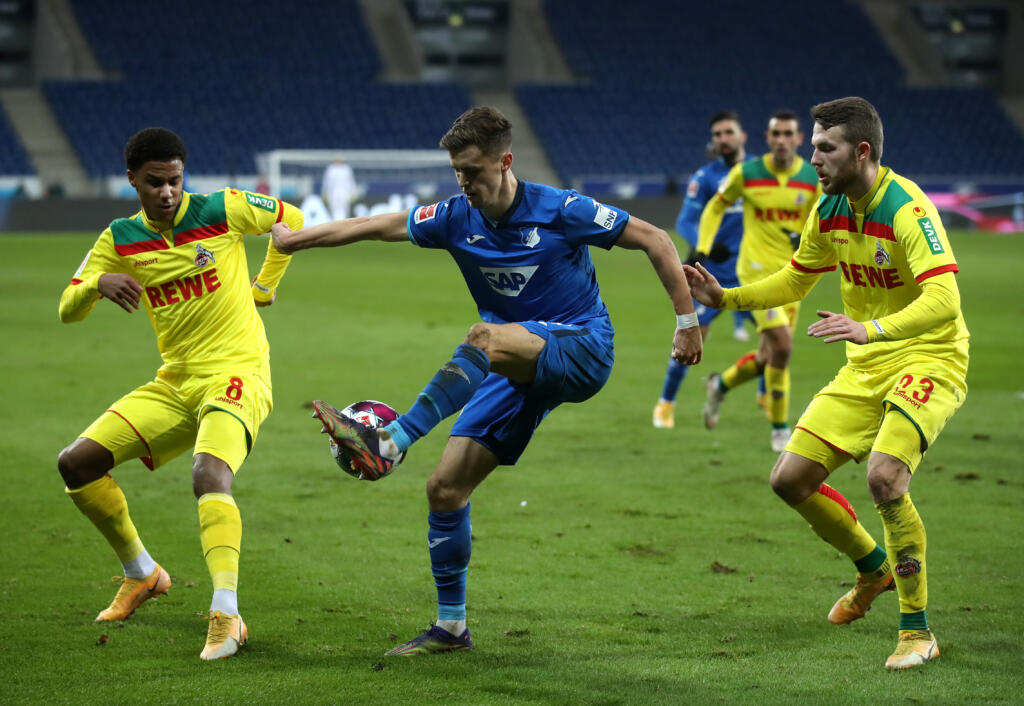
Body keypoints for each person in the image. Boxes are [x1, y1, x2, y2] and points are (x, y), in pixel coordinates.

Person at [271, 106, 703, 656]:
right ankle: (451, 628)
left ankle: (393, 441)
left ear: (505, 161)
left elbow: (656, 238)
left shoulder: (559, 208)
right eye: (456, 171)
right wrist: (292, 242)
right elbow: (371, 226)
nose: (463, 182)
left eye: (473, 171)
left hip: (582, 348)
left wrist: (686, 323)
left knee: (483, 337)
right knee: (445, 489)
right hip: (512, 362)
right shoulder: (454, 216)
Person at [684, 96, 968, 669]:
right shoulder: (831, 206)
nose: (811, 157)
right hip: (867, 362)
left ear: (861, 152)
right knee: (790, 479)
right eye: (812, 145)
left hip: (929, 357)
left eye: (824, 148)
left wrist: (871, 328)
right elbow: (794, 279)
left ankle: (918, 632)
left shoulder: (907, 208)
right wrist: (726, 298)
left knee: (885, 478)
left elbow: (945, 299)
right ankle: (873, 570)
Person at [57, 127, 303, 660]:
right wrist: (98, 285)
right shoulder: (120, 238)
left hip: (239, 373)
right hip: (175, 382)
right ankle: (142, 573)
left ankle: (227, 613)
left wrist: (265, 284)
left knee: (209, 474)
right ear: (133, 182)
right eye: (155, 183)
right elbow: (66, 306)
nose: (167, 192)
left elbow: (292, 217)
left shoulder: (222, 208)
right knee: (77, 463)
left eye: (174, 181)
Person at [695, 109, 821, 451]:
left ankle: (720, 384)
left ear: (798, 139)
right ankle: (781, 431)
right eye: (775, 134)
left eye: (788, 134)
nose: (781, 140)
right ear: (767, 139)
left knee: (770, 355)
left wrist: (806, 238)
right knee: (782, 346)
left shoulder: (811, 179)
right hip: (753, 273)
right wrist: (703, 248)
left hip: (793, 278)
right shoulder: (747, 173)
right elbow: (715, 207)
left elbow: (818, 219)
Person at [653, 110, 757, 429]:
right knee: (691, 337)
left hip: (758, 275)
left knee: (778, 342)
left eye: (728, 132)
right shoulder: (706, 177)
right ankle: (665, 404)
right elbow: (685, 221)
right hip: (715, 276)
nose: (723, 139)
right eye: (717, 134)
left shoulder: (760, 172)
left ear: (742, 136)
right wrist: (707, 245)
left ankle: (767, 402)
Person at [321, 156, 357, 221]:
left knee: (345, 208)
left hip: (345, 192)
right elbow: (326, 182)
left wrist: (353, 192)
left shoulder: (346, 169)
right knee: (333, 208)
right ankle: (334, 222)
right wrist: (324, 192)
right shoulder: (330, 169)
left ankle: (344, 223)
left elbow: (351, 182)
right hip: (333, 193)